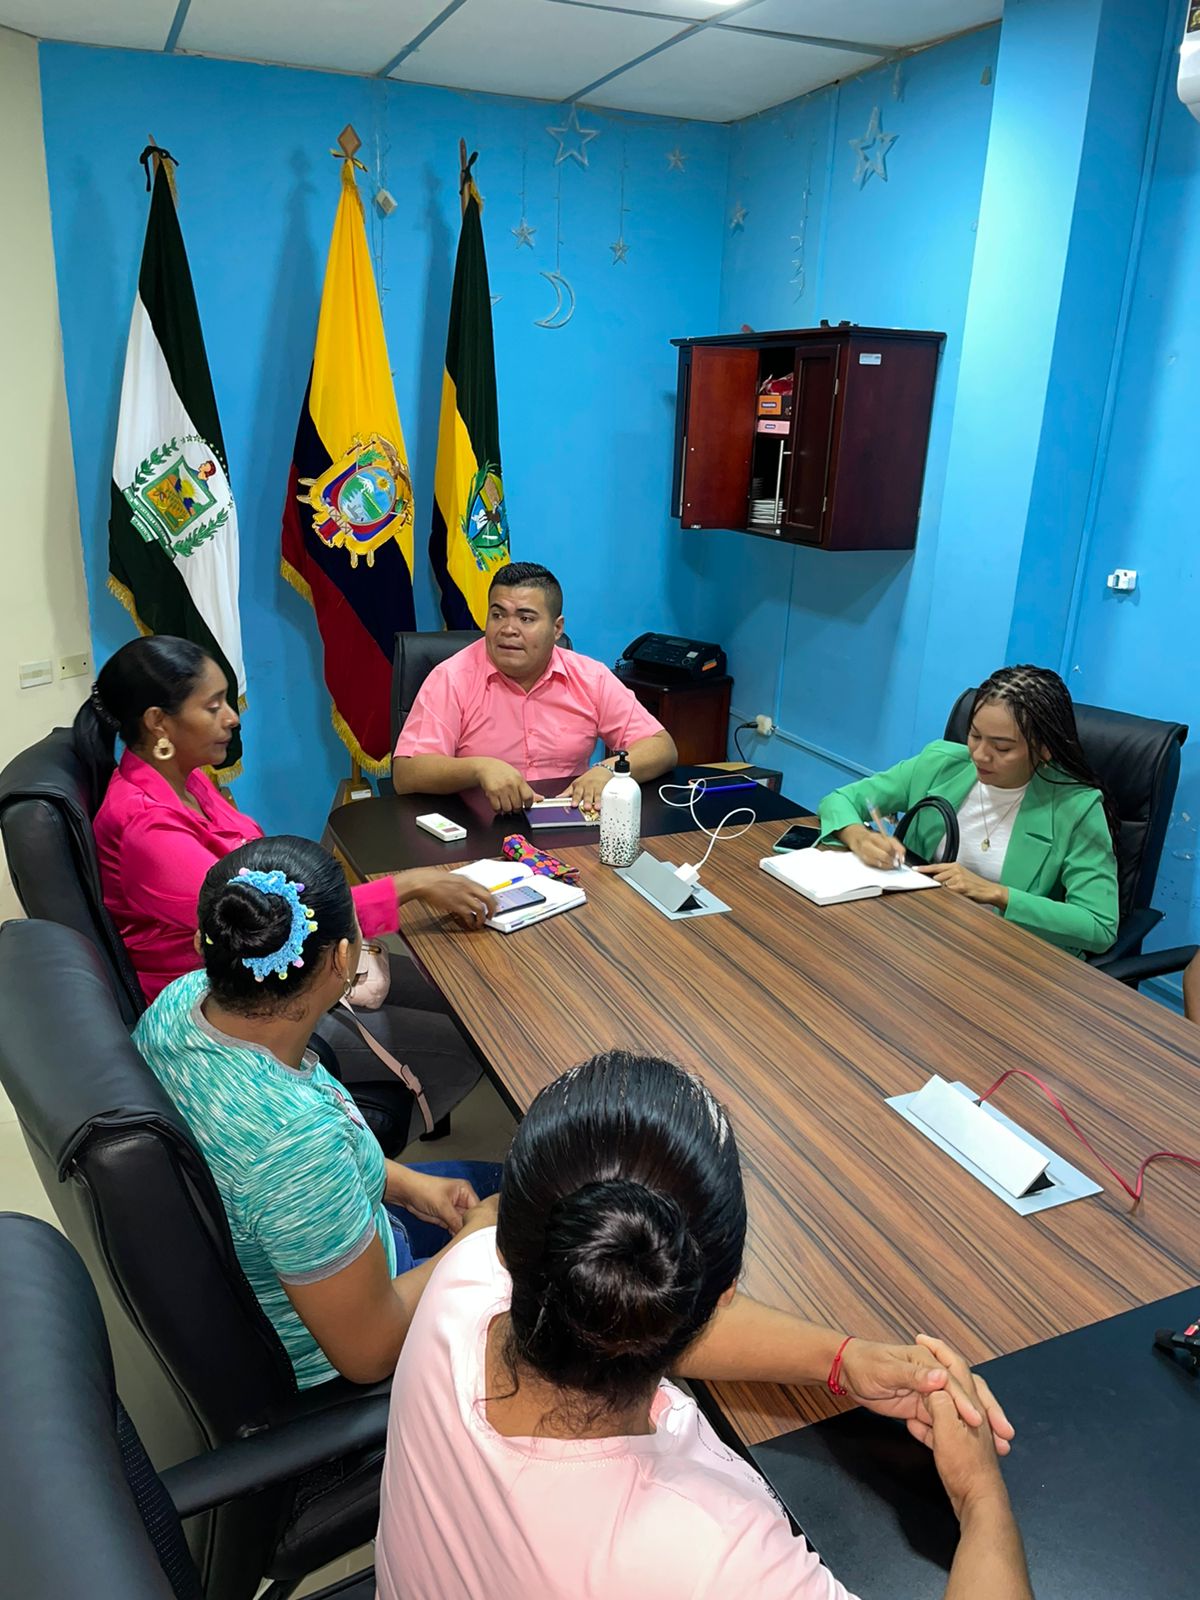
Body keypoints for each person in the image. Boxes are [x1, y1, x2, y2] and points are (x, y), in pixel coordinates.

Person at [375, 1051, 1030, 1600]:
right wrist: (979, 1499)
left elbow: (614, 1307)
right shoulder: (710, 1559)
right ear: (722, 1295)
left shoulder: (463, 1277)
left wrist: (842, 1359)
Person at [77, 635, 495, 1142]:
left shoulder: (188, 781)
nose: (232, 718)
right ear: (158, 723)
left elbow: (278, 887)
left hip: (272, 971)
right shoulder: (146, 827)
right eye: (213, 706)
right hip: (236, 1006)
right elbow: (276, 920)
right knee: (461, 1047)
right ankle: (349, 1162)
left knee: (457, 999)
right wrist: (410, 886)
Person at [133, 836, 501, 1389]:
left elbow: (301, 1176)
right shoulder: (294, 1143)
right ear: (342, 959)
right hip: (344, 1341)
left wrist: (407, 1186)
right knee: (547, 1218)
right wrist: (470, 1246)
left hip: (319, 1247)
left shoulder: (182, 1002)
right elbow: (371, 1351)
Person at [817, 664, 1118, 956]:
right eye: (975, 736)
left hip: (1006, 956)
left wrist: (997, 894)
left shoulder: (1076, 807)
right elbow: (840, 800)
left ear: (1044, 749)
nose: (980, 755)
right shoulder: (940, 763)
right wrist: (858, 837)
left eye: (1002, 748)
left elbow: (1099, 925)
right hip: (918, 933)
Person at [391, 561, 678, 814]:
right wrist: (479, 768)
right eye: (498, 615)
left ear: (557, 628)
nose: (508, 629)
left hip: (570, 821)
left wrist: (607, 771)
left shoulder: (590, 677)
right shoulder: (452, 678)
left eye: (525, 618)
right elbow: (407, 773)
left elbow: (661, 746)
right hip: (479, 825)